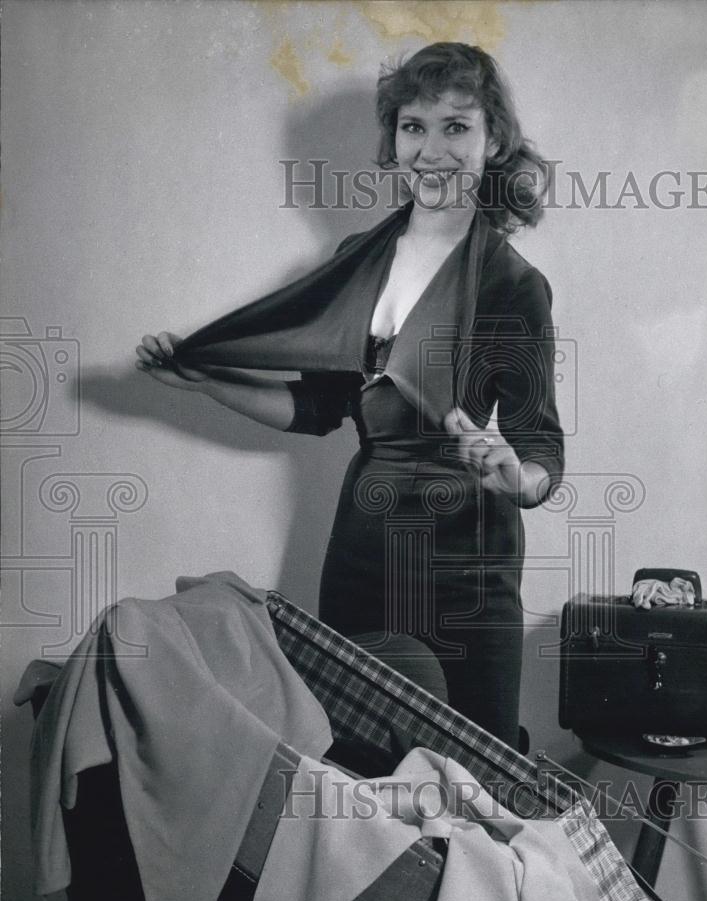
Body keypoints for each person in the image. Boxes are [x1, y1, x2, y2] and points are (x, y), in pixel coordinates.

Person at [135, 42, 564, 749]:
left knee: (479, 781)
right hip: (364, 549)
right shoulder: (355, 262)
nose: (431, 150)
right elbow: (315, 410)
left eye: (456, 127)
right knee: (363, 769)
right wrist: (207, 381)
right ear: (393, 141)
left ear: (493, 141)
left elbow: (541, 442)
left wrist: (515, 476)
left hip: (468, 562)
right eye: (413, 126)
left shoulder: (513, 286)